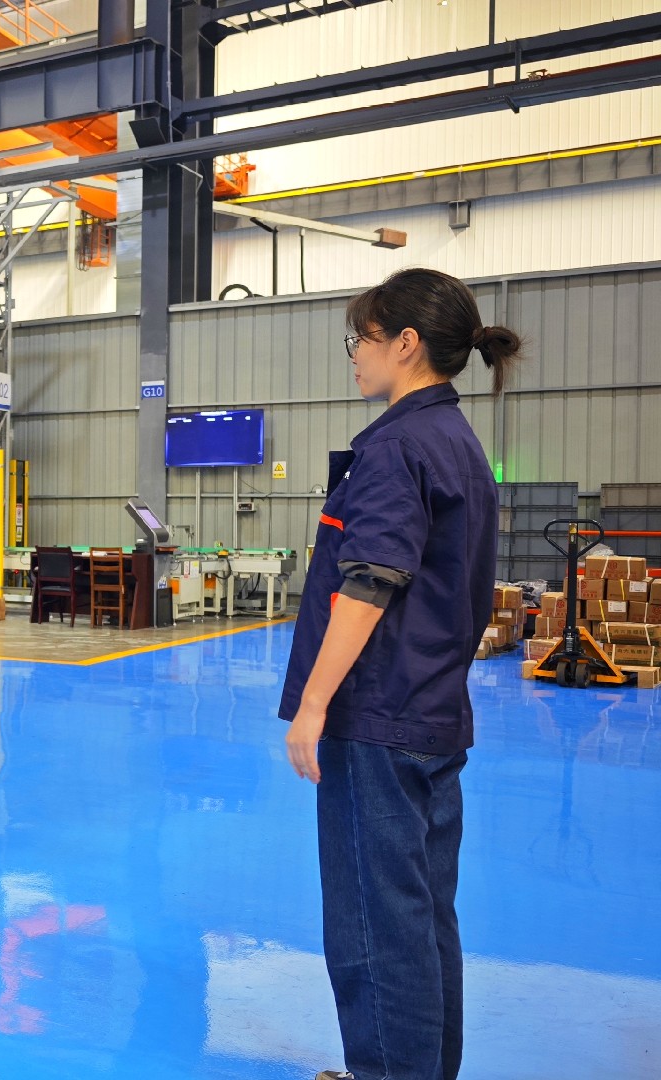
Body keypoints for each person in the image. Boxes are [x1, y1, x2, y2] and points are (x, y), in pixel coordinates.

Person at [280, 268, 515, 1080]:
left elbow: (370, 580)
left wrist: (314, 704)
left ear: (406, 343)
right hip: (432, 713)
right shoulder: (457, 442)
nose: (356, 355)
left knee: (374, 926)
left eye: (364, 339)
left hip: (377, 717)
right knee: (421, 915)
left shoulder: (395, 446)